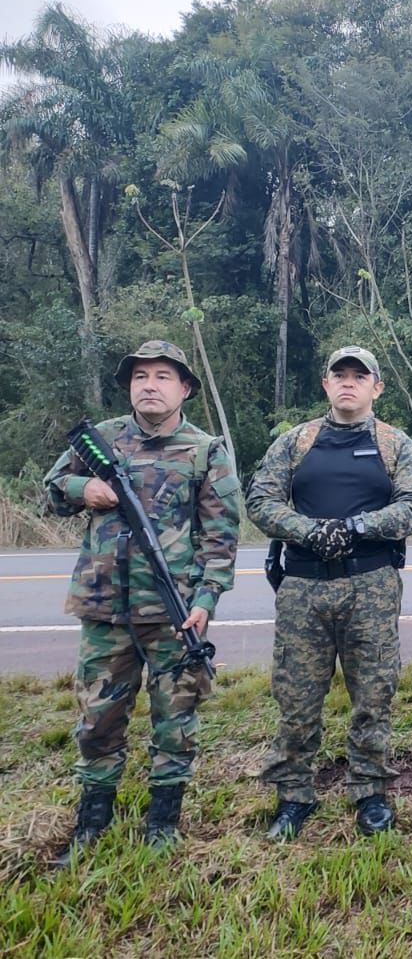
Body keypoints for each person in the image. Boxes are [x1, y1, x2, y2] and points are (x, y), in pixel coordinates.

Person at [43, 340, 240, 863]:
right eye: (140, 377)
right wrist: (85, 486)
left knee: (175, 720)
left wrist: (207, 598)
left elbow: (221, 536)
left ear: (185, 389)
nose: (149, 385)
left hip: (173, 612)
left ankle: (162, 823)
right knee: (97, 718)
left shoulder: (205, 450)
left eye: (161, 376)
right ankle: (92, 820)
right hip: (104, 607)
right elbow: (53, 488)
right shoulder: (102, 440)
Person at [246, 346, 412, 838]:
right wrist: (306, 530)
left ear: (377, 387)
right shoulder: (297, 441)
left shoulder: (395, 444)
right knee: (296, 696)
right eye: (339, 375)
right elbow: (261, 500)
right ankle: (293, 796)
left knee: (374, 692)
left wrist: (356, 527)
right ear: (326, 384)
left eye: (359, 376)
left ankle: (369, 791)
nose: (348, 383)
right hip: (303, 585)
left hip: (370, 585)